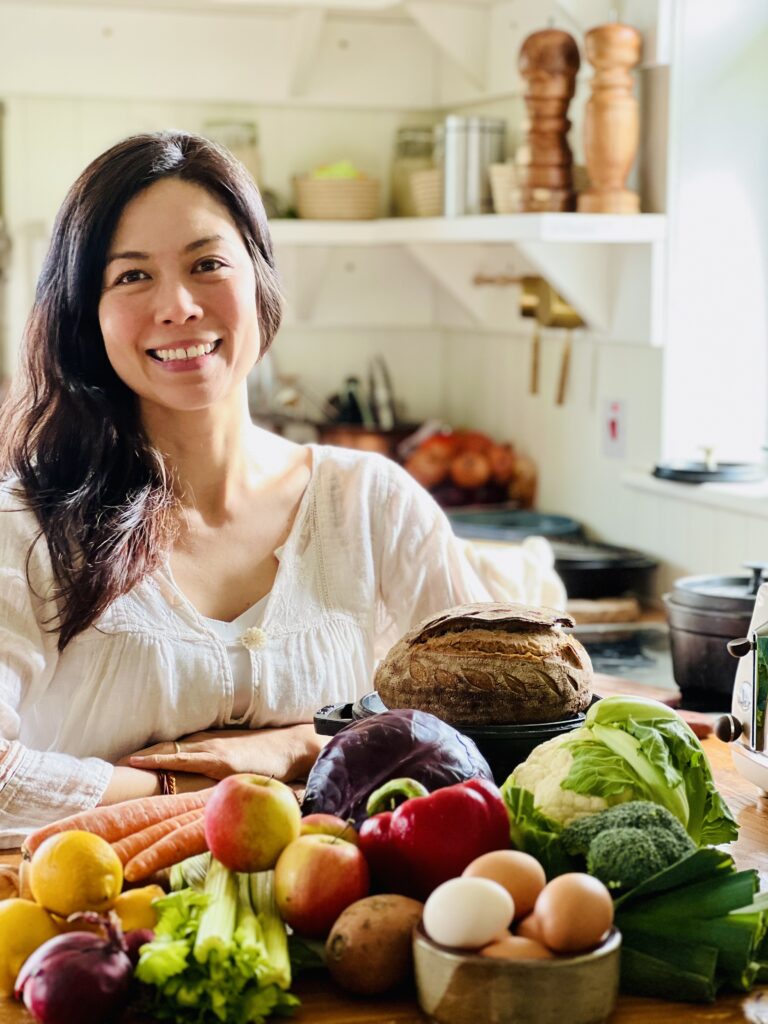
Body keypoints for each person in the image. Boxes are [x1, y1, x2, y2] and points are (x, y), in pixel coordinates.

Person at [0, 130, 494, 847]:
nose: (178, 306)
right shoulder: (28, 525)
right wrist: (202, 787)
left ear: (259, 281)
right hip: (88, 933)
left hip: (341, 933)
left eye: (207, 264)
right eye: (132, 276)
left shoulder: (371, 503)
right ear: (88, 315)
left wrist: (300, 744)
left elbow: (486, 722)